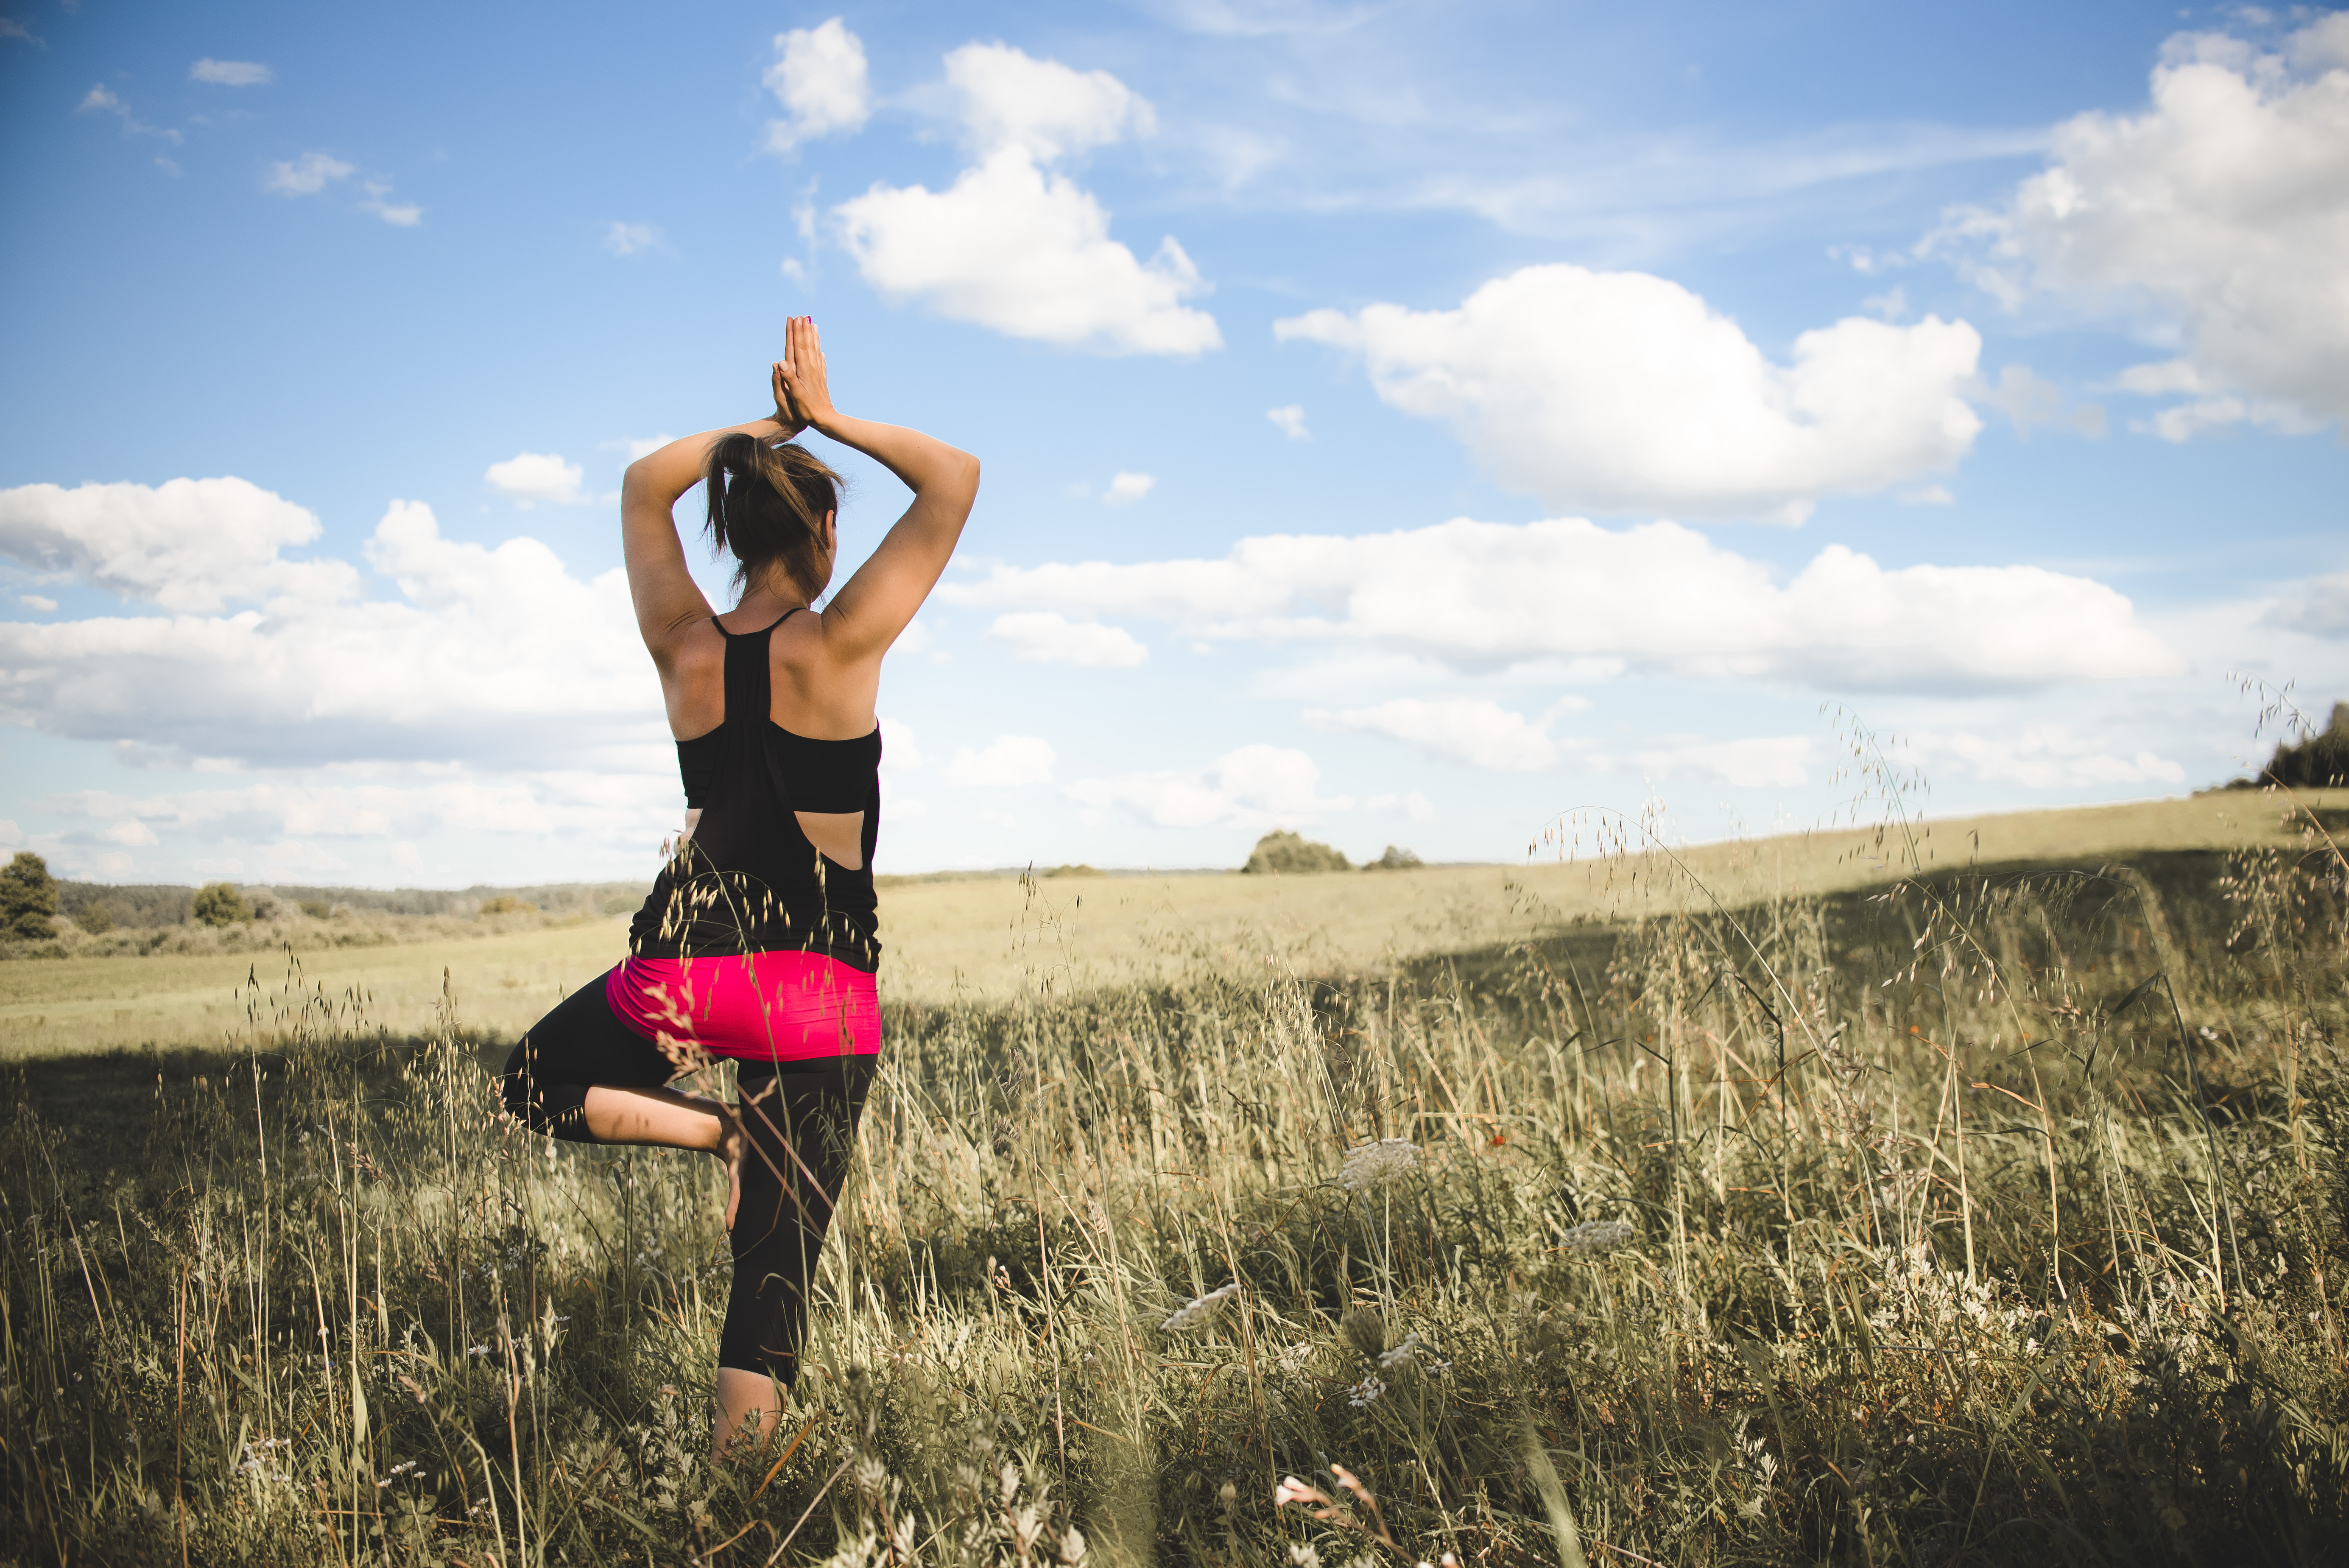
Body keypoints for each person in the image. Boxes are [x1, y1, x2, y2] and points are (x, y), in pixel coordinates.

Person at [497, 316, 978, 1456]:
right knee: (769, 1279)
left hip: (680, 975)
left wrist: (757, 431)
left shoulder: (681, 642)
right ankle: (739, 1497)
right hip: (814, 999)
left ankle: (718, 1134)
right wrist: (822, 417)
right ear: (822, 527)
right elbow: (952, 479)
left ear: (726, 528)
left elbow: (634, 486)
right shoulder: (843, 641)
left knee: (531, 1080)